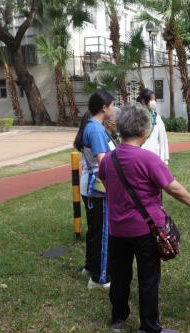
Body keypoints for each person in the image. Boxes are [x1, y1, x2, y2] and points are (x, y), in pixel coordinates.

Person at [98, 105, 190, 333]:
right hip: (146, 230)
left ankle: (118, 319)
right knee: (148, 279)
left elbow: (107, 185)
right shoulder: (149, 159)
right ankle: (149, 326)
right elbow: (174, 189)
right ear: (143, 131)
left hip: (117, 230)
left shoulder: (108, 160)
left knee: (120, 276)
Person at [73, 90, 115, 289]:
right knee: (103, 233)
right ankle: (100, 277)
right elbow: (103, 164)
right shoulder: (96, 129)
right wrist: (114, 190)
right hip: (98, 188)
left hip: (89, 186)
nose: (113, 109)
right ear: (104, 108)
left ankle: (90, 267)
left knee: (95, 230)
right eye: (112, 105)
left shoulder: (91, 126)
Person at [137, 88, 169, 164]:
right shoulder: (136, 117)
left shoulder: (156, 117)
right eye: (152, 100)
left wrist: (165, 159)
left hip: (155, 158)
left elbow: (163, 138)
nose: (154, 102)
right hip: (140, 159)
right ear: (143, 101)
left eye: (155, 100)